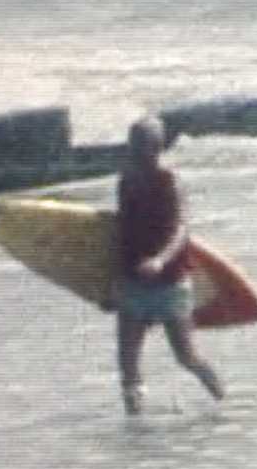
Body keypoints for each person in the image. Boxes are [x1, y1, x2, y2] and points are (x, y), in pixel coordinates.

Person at [100, 117, 224, 414]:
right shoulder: (126, 181)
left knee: (186, 357)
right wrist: (111, 283)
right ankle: (135, 427)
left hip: (171, 283)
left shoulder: (169, 180)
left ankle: (223, 402)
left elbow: (182, 229)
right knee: (127, 363)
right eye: (133, 143)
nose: (135, 150)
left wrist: (160, 259)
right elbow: (122, 234)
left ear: (158, 147)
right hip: (133, 282)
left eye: (142, 144)